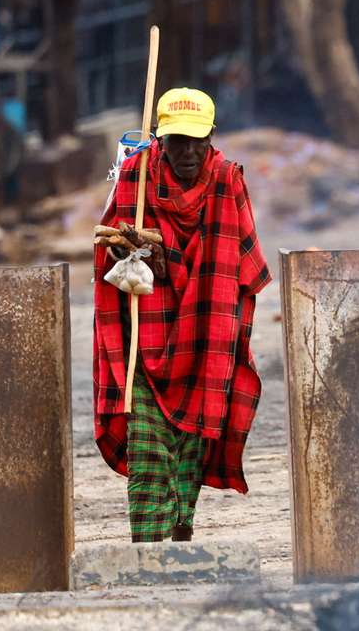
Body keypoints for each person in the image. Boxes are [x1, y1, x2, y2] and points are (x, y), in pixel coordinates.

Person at [93, 87, 271, 543]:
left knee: (191, 441)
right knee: (148, 443)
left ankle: (179, 536)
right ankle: (147, 552)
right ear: (160, 138)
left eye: (197, 141)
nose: (188, 152)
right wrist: (126, 252)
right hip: (146, 331)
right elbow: (107, 250)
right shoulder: (135, 175)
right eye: (177, 141)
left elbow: (246, 267)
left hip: (204, 329)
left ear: (211, 136)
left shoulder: (227, 179)